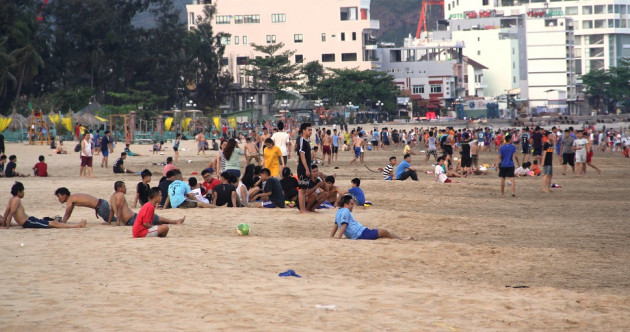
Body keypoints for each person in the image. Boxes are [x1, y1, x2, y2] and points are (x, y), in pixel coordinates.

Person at [2, 182, 86, 229]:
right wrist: (7, 226)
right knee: (54, 223)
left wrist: (4, 225)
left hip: (29, 221)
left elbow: (6, 213)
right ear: (19, 192)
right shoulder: (17, 199)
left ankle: (76, 225)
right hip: (28, 222)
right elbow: (11, 213)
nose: (24, 193)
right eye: (23, 191)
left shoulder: (11, 199)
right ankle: (77, 225)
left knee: (51, 222)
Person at [330, 194, 406, 240]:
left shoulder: (338, 211)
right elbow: (343, 226)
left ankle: (400, 238)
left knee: (381, 232)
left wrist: (331, 237)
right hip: (360, 234)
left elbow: (336, 226)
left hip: (360, 231)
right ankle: (401, 239)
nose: (353, 206)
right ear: (346, 204)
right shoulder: (346, 211)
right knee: (384, 232)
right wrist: (338, 239)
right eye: (352, 204)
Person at [109, 181, 185, 226]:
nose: (126, 188)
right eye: (124, 187)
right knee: (154, 217)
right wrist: (118, 222)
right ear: (119, 188)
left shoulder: (112, 196)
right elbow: (119, 209)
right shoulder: (120, 195)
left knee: (154, 219)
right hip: (132, 219)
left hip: (131, 219)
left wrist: (109, 222)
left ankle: (173, 221)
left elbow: (112, 211)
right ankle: (175, 221)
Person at [296, 123, 313, 213]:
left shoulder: (307, 141)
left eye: (311, 130)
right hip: (302, 168)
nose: (310, 132)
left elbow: (308, 158)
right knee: (302, 189)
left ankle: (303, 208)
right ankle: (302, 210)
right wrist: (306, 169)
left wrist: (310, 169)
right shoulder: (302, 140)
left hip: (306, 167)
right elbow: (302, 156)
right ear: (303, 130)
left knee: (305, 189)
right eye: (308, 130)